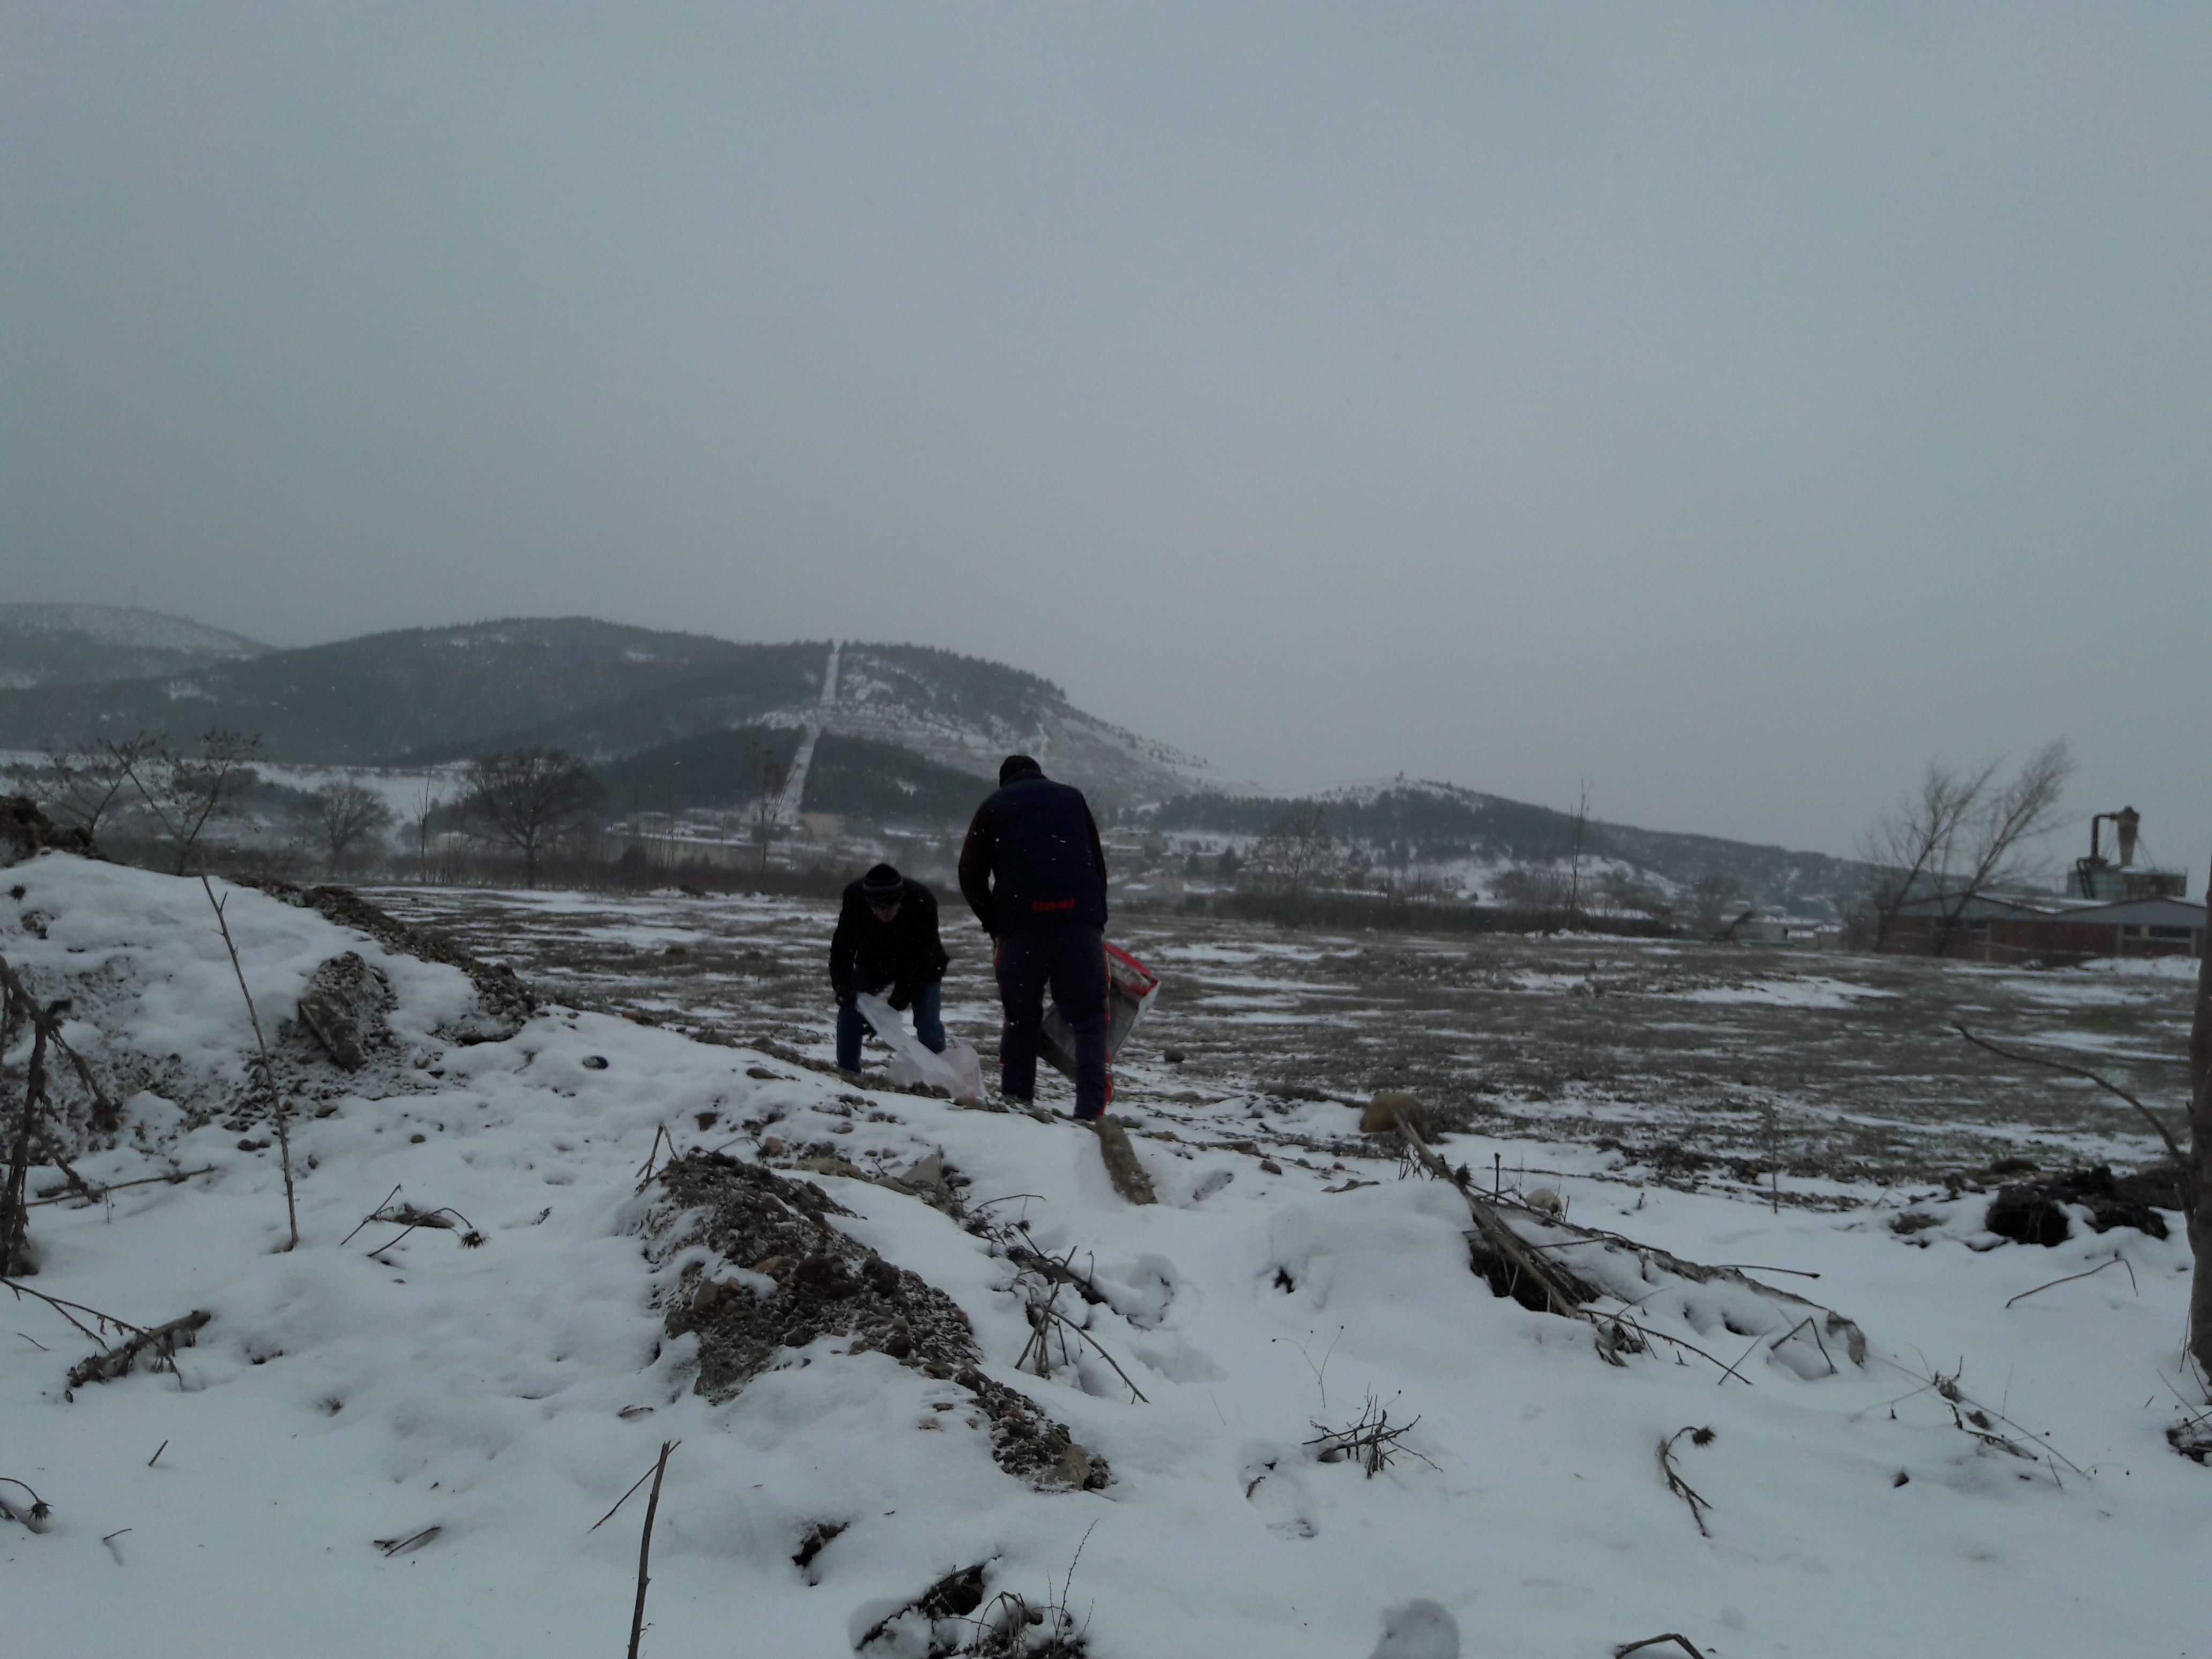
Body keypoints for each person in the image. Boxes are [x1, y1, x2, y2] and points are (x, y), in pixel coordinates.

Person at [958, 754, 1111, 1119]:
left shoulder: (993, 807)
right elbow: (1097, 864)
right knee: (1090, 1021)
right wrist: (1093, 917)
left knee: (1021, 1020)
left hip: (1022, 931)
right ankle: (1091, 1113)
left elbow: (969, 874)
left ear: (1004, 781)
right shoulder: (1073, 799)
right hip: (1078, 925)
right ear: (1039, 774)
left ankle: (1017, 1104)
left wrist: (995, 923)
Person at [829, 862, 950, 1075]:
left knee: (928, 1025)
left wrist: (891, 1009)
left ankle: (940, 1078)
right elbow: (843, 946)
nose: (885, 913)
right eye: (878, 908)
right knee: (850, 1010)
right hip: (873, 963)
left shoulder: (922, 901)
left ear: (901, 900)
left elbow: (922, 962)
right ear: (868, 903)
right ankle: (847, 1073)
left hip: (923, 967)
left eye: (891, 907)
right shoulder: (855, 897)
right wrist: (841, 986)